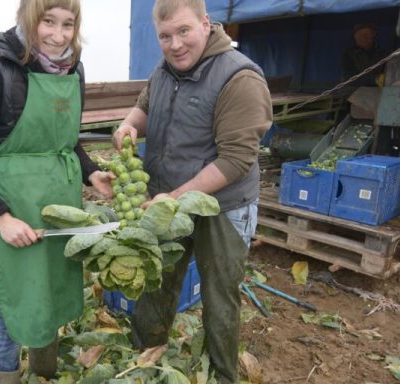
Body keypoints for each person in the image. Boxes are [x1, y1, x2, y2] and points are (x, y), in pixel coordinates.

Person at [0, 0, 114, 382]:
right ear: (28, 18)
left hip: (60, 206)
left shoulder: (73, 70)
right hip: (15, 209)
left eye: (68, 24)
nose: (58, 36)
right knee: (19, 302)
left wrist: (91, 174)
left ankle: (43, 372)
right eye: (47, 22)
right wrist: (0, 217)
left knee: (51, 291)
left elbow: (65, 140)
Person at [112, 0, 272, 382]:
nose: (175, 44)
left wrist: (174, 197)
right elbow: (143, 110)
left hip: (224, 205)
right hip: (168, 200)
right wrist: (128, 127)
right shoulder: (163, 71)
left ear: (205, 24)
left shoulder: (240, 77)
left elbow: (234, 160)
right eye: (165, 36)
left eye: (184, 31)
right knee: (157, 281)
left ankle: (222, 374)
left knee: (219, 295)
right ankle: (144, 359)